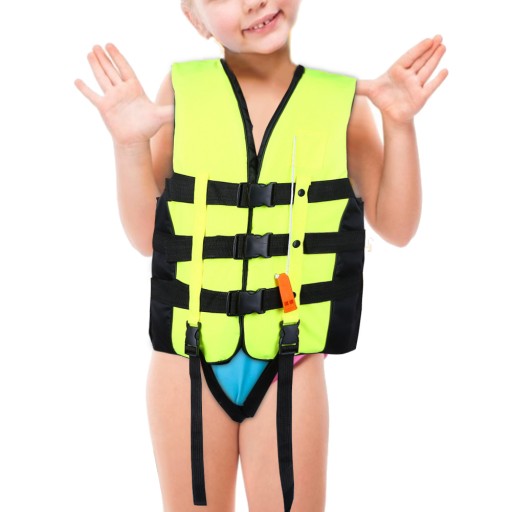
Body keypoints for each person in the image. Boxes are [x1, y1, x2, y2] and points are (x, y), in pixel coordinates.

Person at [75, 0, 448, 510]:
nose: (254, 2)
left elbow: (398, 227)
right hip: (188, 358)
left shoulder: (341, 103)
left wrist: (399, 123)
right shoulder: (182, 92)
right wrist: (129, 146)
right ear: (196, 20)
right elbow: (147, 237)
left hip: (292, 361)